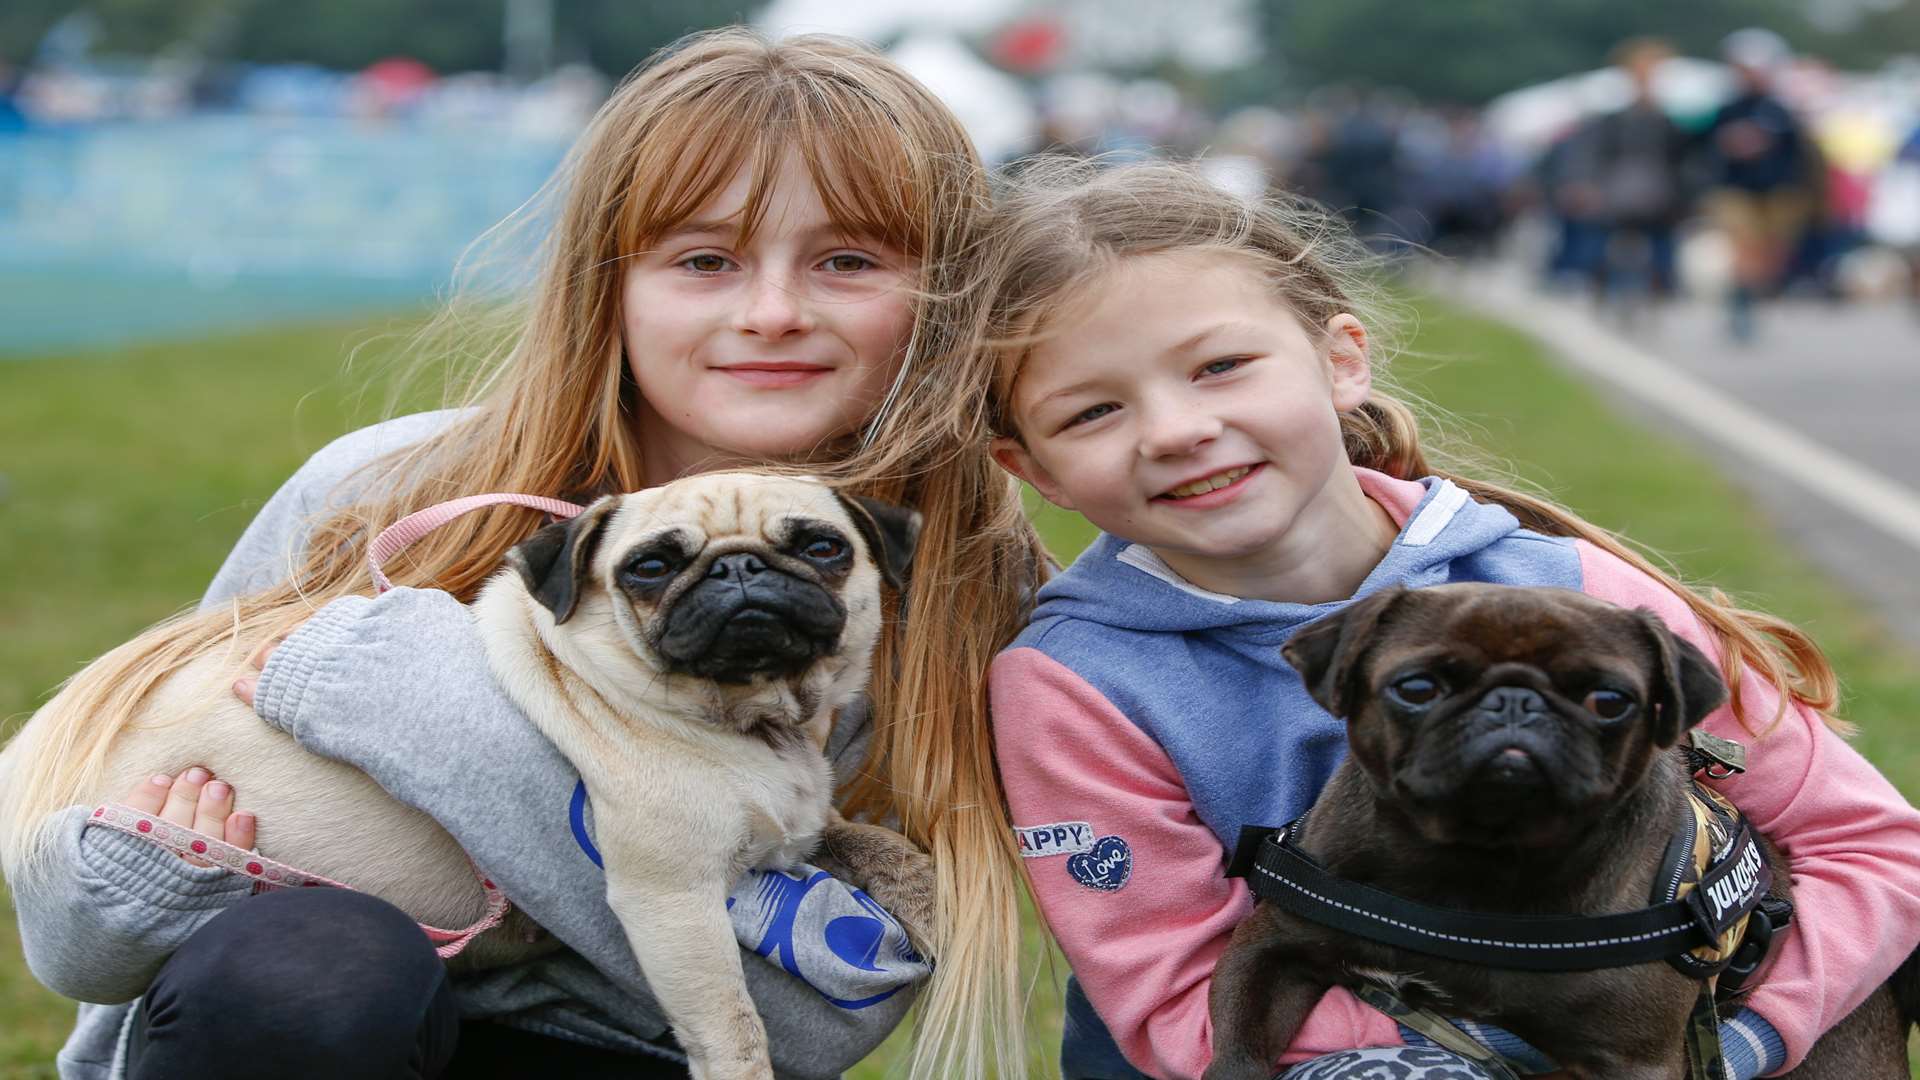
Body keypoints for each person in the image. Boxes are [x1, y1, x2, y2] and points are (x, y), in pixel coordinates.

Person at [2, 29, 1044, 1080]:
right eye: (704, 260)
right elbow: (72, 945)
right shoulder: (383, 493)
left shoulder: (971, 599)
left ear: (949, 291)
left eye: (848, 260)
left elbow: (813, 1023)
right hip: (313, 1034)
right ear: (609, 285)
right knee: (311, 973)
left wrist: (432, 719)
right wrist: (159, 884)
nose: (772, 312)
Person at [977, 158, 1920, 1080]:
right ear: (1034, 471)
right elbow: (1177, 1009)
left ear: (1341, 360)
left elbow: (1871, 845)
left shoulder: (1573, 585)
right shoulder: (1077, 684)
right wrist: (1506, 1046)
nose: (1176, 430)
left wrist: (1755, 1038)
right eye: (1095, 411)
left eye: (1221, 367)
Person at [1700, 28, 1818, 341]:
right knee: (1743, 248)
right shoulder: (1727, 109)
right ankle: (1740, 305)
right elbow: (1707, 146)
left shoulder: (1781, 110)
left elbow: (1799, 155)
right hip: (1738, 189)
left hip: (1777, 191)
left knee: (1769, 256)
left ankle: (1750, 297)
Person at [1567, 38, 1693, 302]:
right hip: (1617, 191)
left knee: (1663, 238)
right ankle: (1597, 278)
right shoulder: (1614, 120)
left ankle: (1663, 282)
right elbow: (1593, 153)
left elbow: (1685, 159)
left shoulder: (1671, 120)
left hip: (1659, 195)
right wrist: (1586, 185)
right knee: (1600, 234)